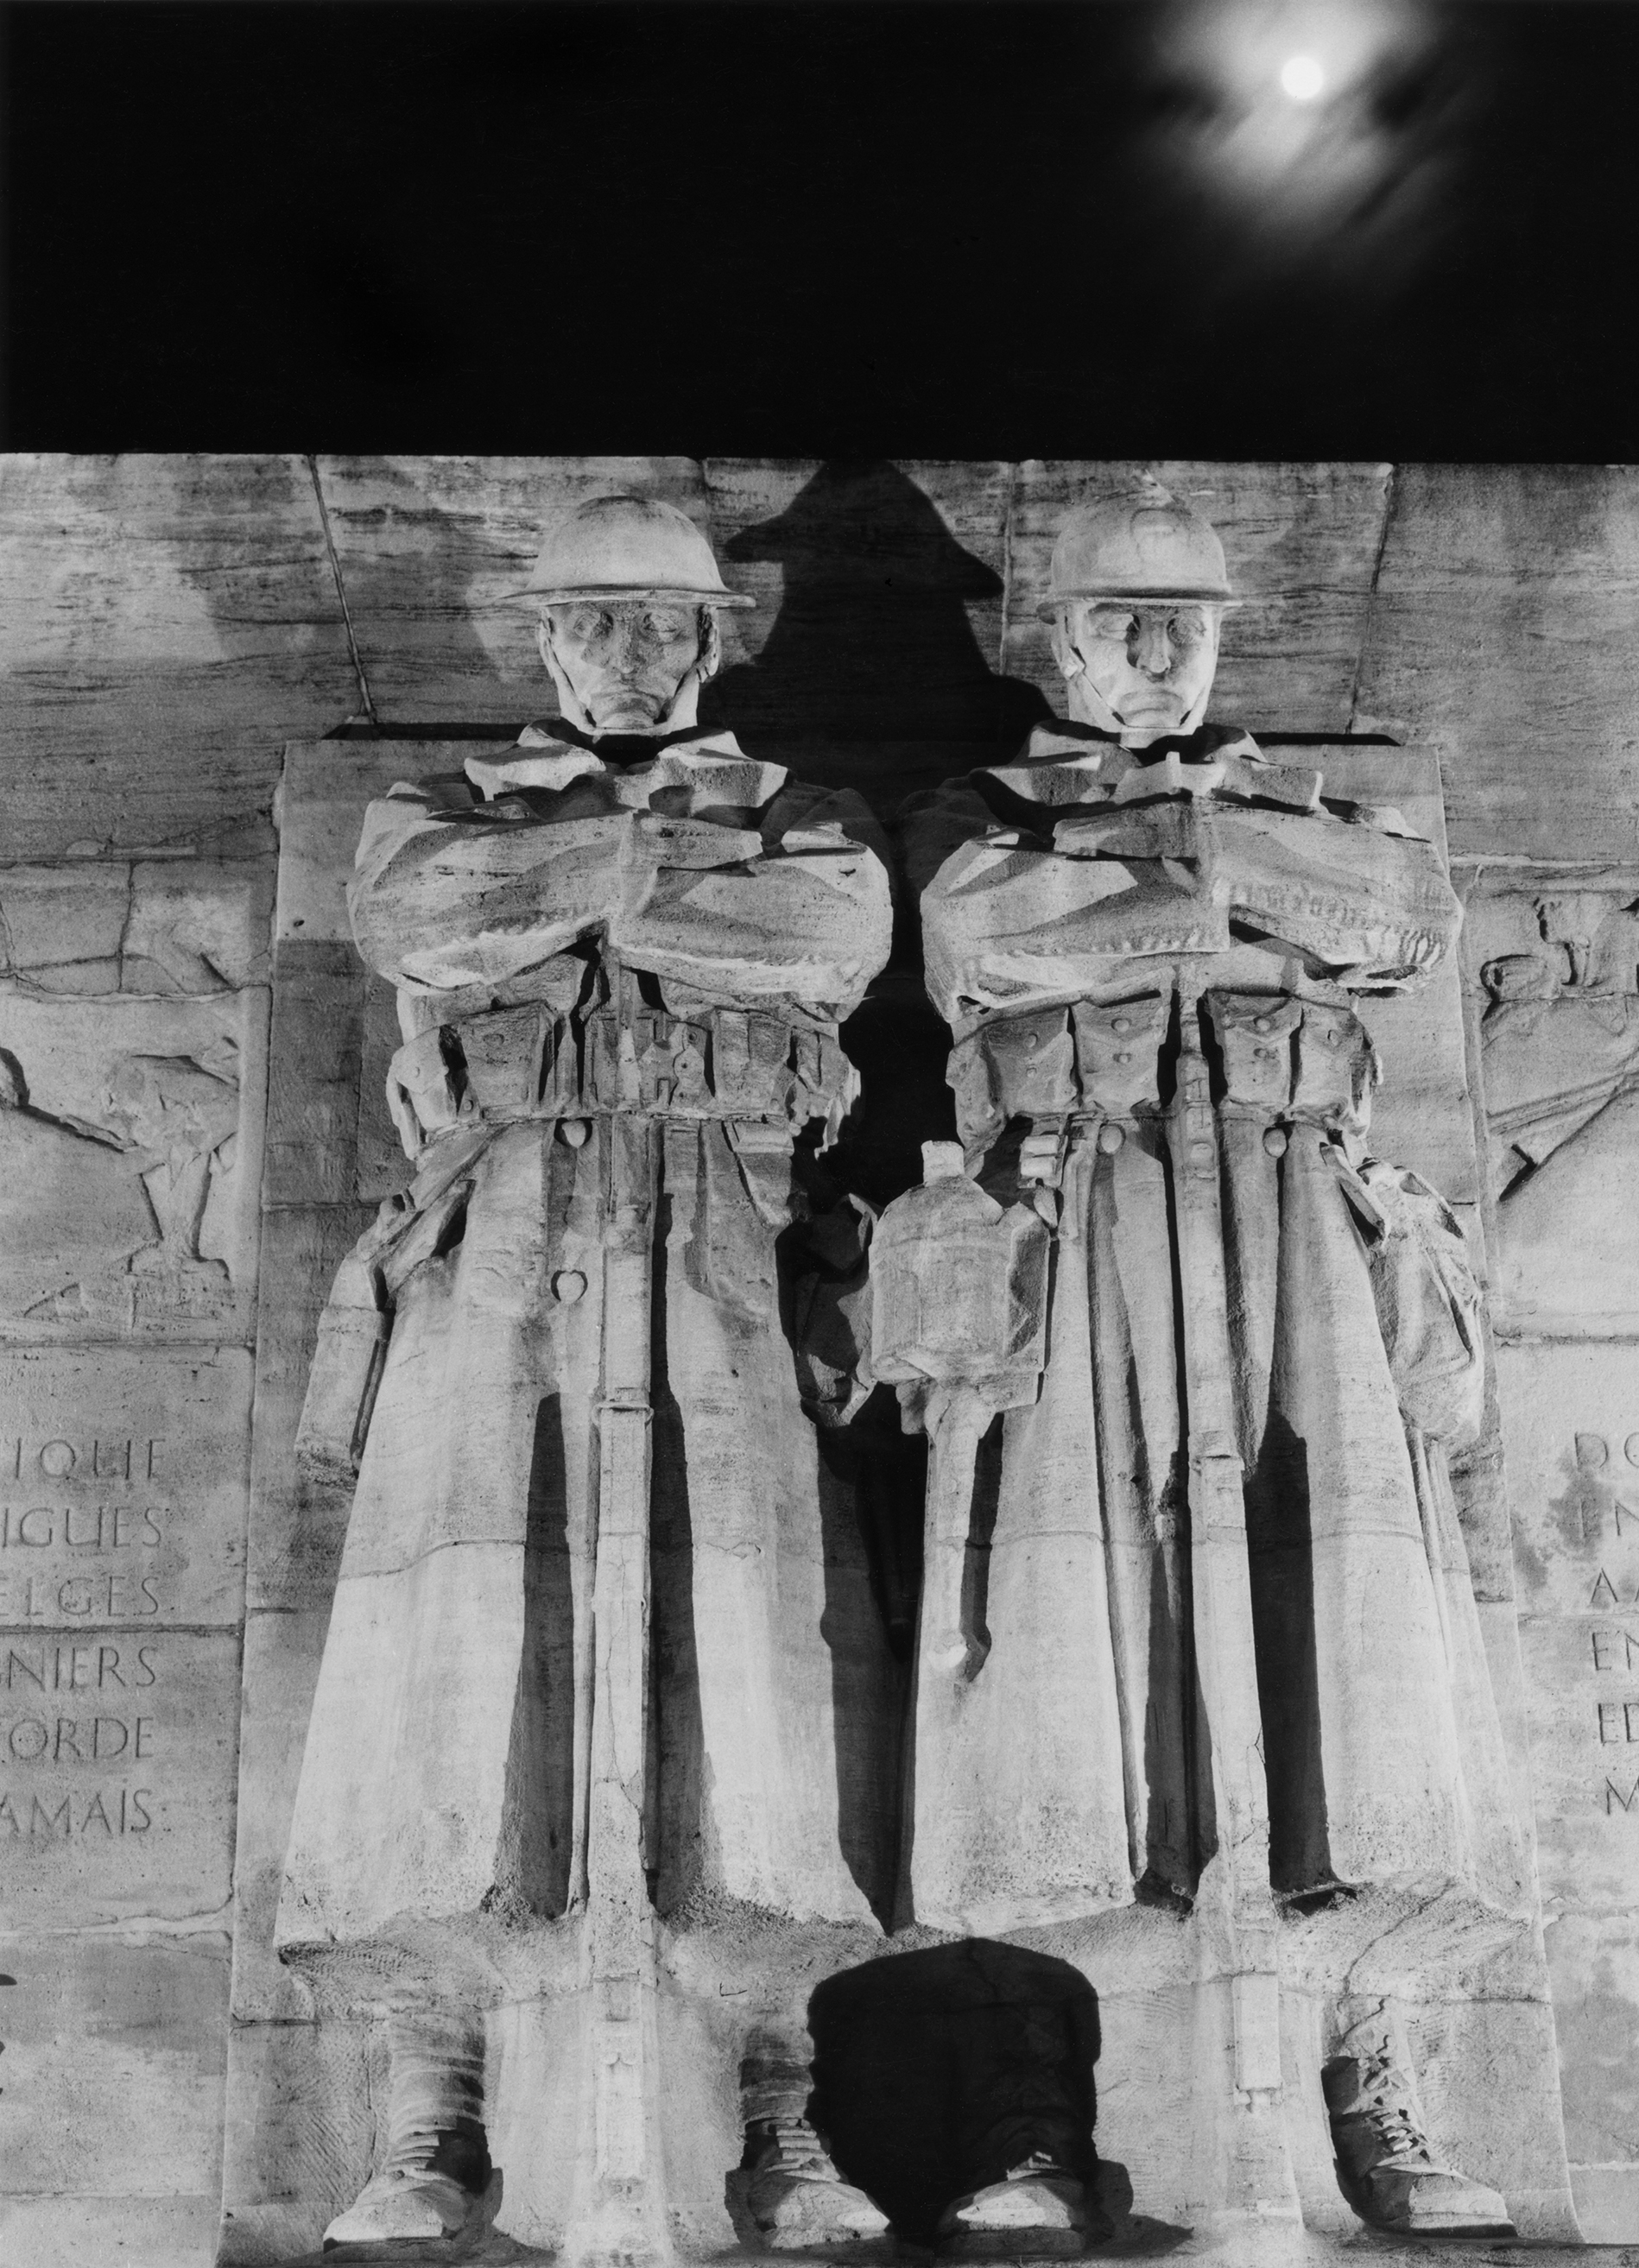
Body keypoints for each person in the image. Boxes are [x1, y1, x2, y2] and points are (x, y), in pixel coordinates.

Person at [893, 477, 1523, 2240]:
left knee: (1349, 1668)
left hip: (1290, 1241)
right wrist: (1229, 891)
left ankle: (1369, 2082)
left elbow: (1393, 922)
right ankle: (1047, 2100)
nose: (1157, 651)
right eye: (1119, 621)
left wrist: (1165, 868)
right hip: (1080, 1230)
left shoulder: (1314, 797)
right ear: (1056, 639)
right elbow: (983, 942)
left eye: (1185, 623)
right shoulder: (979, 806)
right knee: (1062, 1675)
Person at [277, 494, 897, 2251]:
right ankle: (428, 2111)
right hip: (497, 1259)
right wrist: (658, 875)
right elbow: (423, 921)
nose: (631, 651)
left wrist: (573, 895)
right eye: (599, 622)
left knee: (749, 1692)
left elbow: (824, 940)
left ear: (712, 641)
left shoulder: (806, 816)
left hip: (717, 1245)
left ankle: (779, 2115)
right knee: (457, 1680)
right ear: (547, 637)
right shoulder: (443, 807)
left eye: (662, 625)